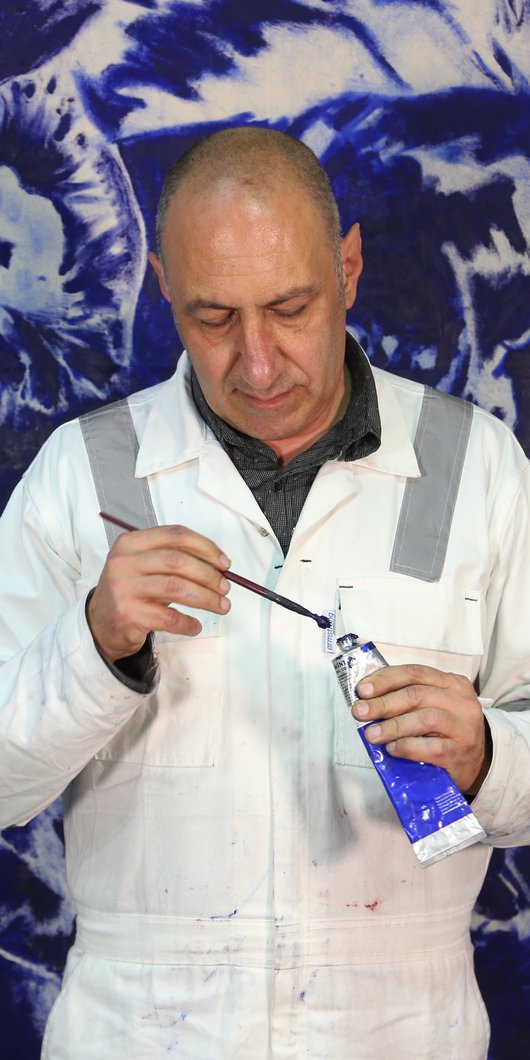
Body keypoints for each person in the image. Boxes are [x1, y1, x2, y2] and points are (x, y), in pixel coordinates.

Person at [0, 126, 529, 1060]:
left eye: (290, 308)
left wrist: (486, 753)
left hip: (402, 1031)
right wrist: (94, 644)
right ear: (163, 287)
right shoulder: (80, 474)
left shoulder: (479, 466)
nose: (256, 362)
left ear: (349, 269)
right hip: (141, 1034)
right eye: (212, 318)